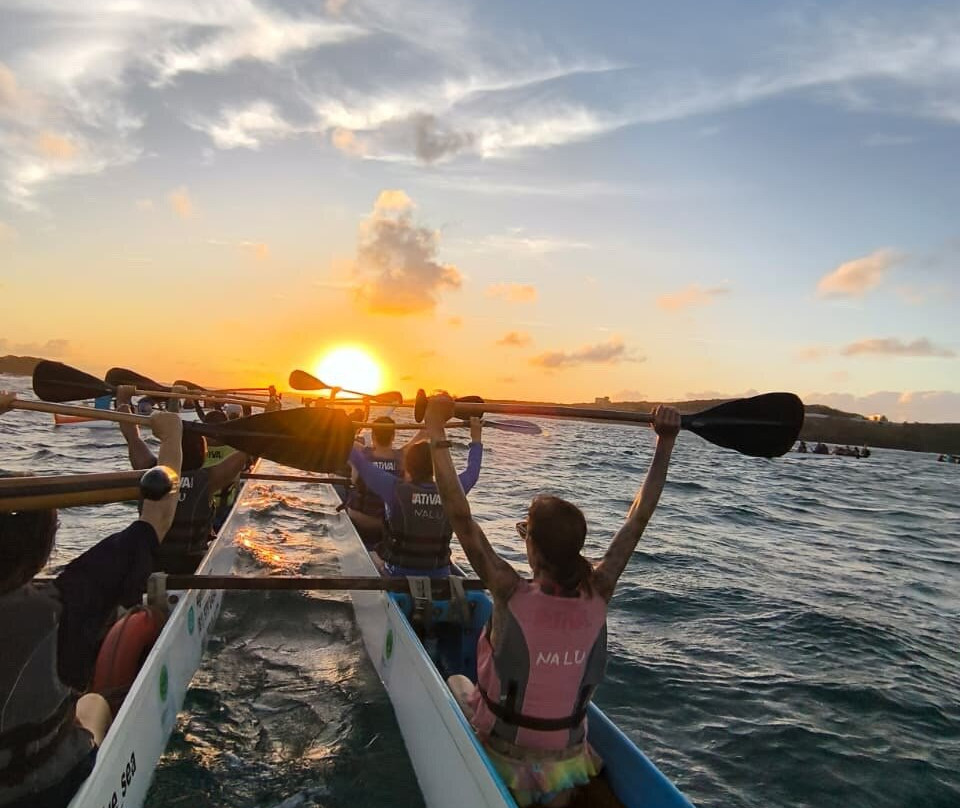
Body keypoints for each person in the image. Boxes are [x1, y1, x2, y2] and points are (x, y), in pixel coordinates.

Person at [423, 393, 680, 808]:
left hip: (503, 760)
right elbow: (639, 515)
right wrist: (665, 442)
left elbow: (459, 515)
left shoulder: (507, 590)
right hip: (566, 767)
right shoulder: (601, 587)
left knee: (456, 683)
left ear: (534, 548)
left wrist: (435, 426)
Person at [0, 391, 183, 808]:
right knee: (94, 703)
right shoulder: (65, 605)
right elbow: (159, 512)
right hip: (47, 790)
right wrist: (172, 435)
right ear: (42, 549)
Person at [115, 385, 248, 573]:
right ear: (202, 454)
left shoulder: (149, 469)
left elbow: (132, 436)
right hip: (191, 567)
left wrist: (122, 400)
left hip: (150, 565)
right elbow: (247, 452)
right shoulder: (209, 479)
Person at [348, 419, 483, 577]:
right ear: (435, 468)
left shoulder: (394, 488)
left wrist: (341, 427)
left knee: (370, 555)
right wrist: (476, 437)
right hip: (440, 573)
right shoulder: (452, 490)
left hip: (398, 573)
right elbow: (473, 472)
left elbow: (359, 461)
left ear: (407, 467)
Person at [345, 416, 428, 550]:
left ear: (373, 436)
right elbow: (422, 436)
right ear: (393, 436)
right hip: (389, 526)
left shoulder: (361, 455)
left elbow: (344, 439)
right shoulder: (403, 457)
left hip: (361, 521)